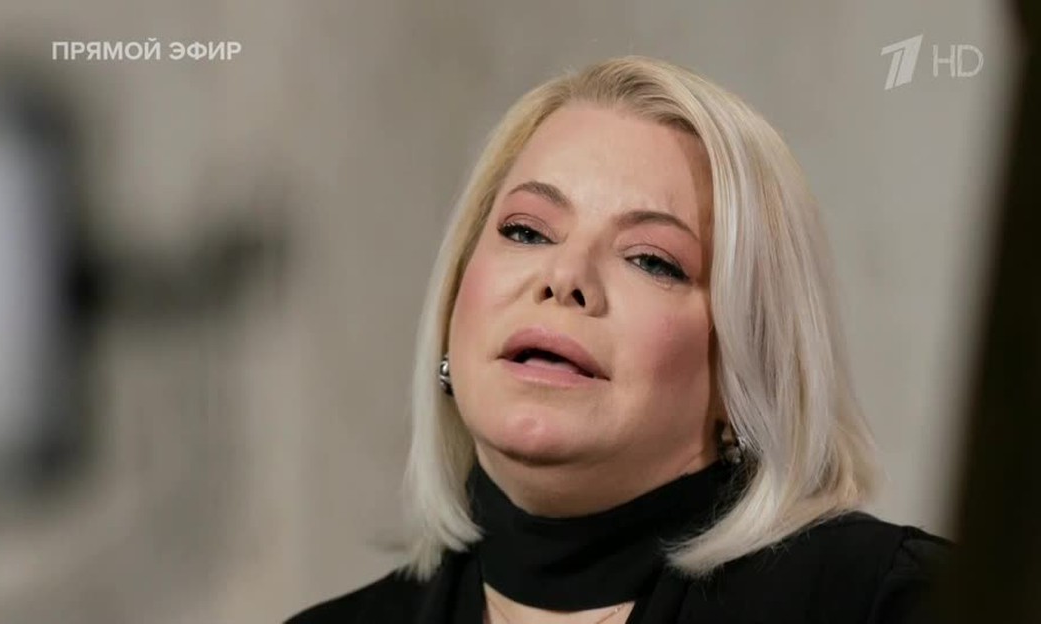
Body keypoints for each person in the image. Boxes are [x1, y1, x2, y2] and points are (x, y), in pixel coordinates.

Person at [285, 55, 950, 624]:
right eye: (526, 231)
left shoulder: (889, 604)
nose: (565, 277)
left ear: (745, 367)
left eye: (651, 260)